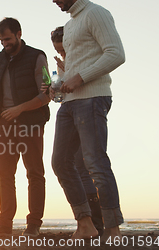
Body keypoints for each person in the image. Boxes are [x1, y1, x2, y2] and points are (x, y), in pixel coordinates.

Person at [50, 0, 125, 240]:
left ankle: (113, 228)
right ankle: (85, 224)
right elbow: (76, 65)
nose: (53, 0)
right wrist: (60, 83)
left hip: (93, 99)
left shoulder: (96, 13)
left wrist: (80, 78)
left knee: (95, 163)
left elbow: (116, 54)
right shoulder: (70, 24)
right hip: (69, 103)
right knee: (60, 162)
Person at [0, 17, 51, 237]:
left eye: (8, 39)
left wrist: (20, 109)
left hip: (31, 124)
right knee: (3, 173)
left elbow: (47, 95)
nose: (5, 44)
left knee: (34, 173)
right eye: (2, 40)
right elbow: (2, 94)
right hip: (5, 123)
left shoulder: (37, 56)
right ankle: (4, 224)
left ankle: (33, 224)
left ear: (19, 34)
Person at [49, 26, 104, 236]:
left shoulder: (82, 59)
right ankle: (87, 222)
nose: (62, 54)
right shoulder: (61, 66)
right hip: (68, 114)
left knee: (85, 166)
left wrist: (70, 73)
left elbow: (91, 84)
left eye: (64, 50)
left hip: (87, 111)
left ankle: (97, 223)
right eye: (58, 50)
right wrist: (53, 91)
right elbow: (60, 98)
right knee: (67, 165)